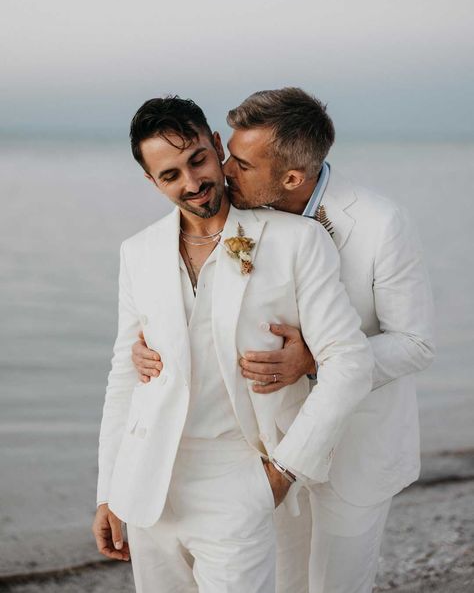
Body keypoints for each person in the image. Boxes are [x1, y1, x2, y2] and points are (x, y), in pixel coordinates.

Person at [132, 88, 435, 593]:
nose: (226, 170)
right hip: (270, 446)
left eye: (243, 163)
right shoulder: (239, 216)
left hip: (356, 446)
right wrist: (153, 346)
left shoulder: (382, 224)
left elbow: (416, 343)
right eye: (227, 153)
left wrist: (312, 361)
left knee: (336, 585)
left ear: (291, 177)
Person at [92, 96, 374, 593]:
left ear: (217, 146)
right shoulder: (137, 252)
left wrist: (284, 472)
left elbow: (349, 363)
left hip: (240, 478)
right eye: (170, 174)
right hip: (147, 486)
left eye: (198, 159)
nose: (192, 182)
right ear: (151, 181)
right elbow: (123, 375)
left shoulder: (297, 240)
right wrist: (109, 491)